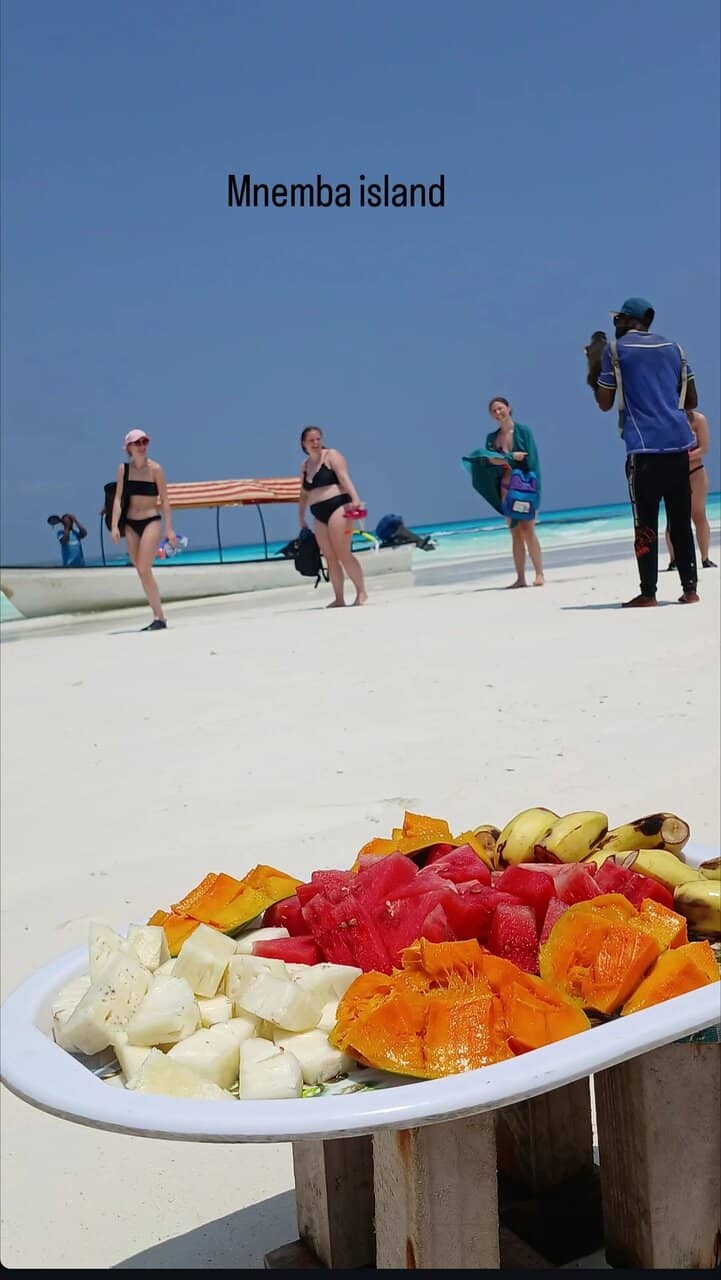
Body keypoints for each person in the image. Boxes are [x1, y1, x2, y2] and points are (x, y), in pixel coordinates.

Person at [588, 297, 699, 607]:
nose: (615, 326)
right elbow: (691, 399)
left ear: (627, 320)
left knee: (645, 523)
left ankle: (648, 593)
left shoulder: (614, 350)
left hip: (644, 447)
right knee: (680, 520)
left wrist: (594, 366)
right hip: (679, 443)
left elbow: (604, 402)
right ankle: (690, 589)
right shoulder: (675, 348)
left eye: (617, 320)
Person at [464, 398, 545, 587]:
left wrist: (536, 491)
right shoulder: (492, 439)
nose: (498, 412)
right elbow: (489, 461)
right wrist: (509, 457)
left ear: (509, 408)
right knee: (515, 532)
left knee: (528, 529)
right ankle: (520, 578)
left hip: (524, 488)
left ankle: (539, 574)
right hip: (505, 489)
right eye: (493, 411)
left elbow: (531, 461)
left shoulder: (524, 432)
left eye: (500, 408)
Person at [110, 428, 177, 630]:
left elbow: (165, 500)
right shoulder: (124, 469)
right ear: (129, 447)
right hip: (131, 524)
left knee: (143, 568)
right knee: (141, 572)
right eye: (137, 443)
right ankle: (157, 616)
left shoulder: (156, 469)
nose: (142, 446)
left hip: (150, 521)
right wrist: (114, 525)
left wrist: (169, 529)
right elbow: (118, 498)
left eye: (144, 442)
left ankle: (160, 617)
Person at [297, 425, 367, 606]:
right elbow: (304, 493)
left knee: (343, 552)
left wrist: (356, 498)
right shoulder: (304, 466)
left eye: (318, 439)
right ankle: (339, 598)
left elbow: (344, 477)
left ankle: (361, 592)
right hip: (318, 512)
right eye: (311, 440)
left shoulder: (331, 455)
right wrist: (301, 516)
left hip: (338, 506)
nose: (315, 443)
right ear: (303, 444)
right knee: (329, 556)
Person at [665, 410, 716, 571]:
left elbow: (703, 448)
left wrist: (682, 458)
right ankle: (674, 559)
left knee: (698, 514)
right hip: (673, 474)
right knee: (673, 517)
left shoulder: (698, 419)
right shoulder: (665, 420)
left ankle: (705, 557)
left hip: (695, 471)